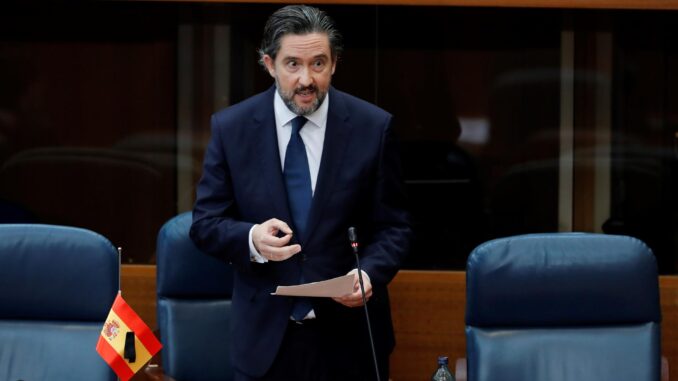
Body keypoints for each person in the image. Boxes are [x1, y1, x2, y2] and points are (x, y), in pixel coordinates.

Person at [190, 5, 411, 380]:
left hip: (349, 341)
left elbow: (395, 227)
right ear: (269, 63)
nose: (306, 79)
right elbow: (205, 224)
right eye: (293, 64)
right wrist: (251, 239)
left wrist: (370, 274)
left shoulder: (372, 128)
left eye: (318, 64)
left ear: (335, 64)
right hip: (265, 342)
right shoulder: (232, 129)